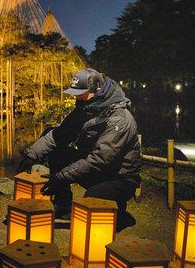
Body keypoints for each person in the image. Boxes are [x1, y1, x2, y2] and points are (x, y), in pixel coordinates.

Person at [17, 68, 141, 230]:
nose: (77, 97)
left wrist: (59, 177)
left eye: (81, 93)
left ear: (97, 89)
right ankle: (63, 204)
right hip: (96, 169)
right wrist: (32, 154)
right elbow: (59, 135)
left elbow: (99, 159)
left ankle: (117, 209)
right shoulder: (85, 107)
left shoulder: (119, 119)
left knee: (90, 201)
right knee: (58, 152)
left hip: (120, 177)